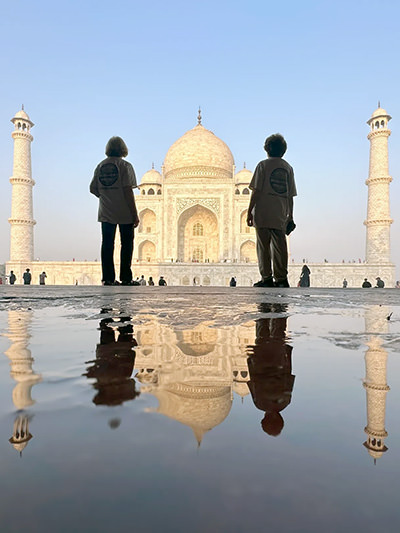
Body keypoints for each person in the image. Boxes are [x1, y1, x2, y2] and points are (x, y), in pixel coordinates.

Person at [247, 133, 297, 288]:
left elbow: (256, 191)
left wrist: (249, 212)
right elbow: (290, 195)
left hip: (262, 212)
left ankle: (266, 278)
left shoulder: (262, 165)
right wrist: (290, 216)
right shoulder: (288, 168)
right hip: (280, 213)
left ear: (266, 149)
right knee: (280, 247)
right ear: (283, 150)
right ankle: (282, 279)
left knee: (263, 247)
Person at [90, 136, 139, 286]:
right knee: (126, 244)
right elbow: (127, 191)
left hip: (106, 211)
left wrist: (105, 195)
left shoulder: (100, 166)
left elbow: (93, 189)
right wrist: (134, 213)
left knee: (107, 244)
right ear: (123, 149)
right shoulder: (125, 166)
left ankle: (108, 278)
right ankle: (126, 278)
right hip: (124, 211)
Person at [247, 303, 295, 437]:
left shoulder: (285, 402)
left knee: (278, 333)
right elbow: (253, 380)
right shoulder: (260, 403)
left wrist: (288, 353)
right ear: (264, 420)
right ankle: (264, 310)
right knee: (262, 334)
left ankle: (279, 311)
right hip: (261, 361)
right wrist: (250, 360)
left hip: (278, 360)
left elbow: (288, 375)